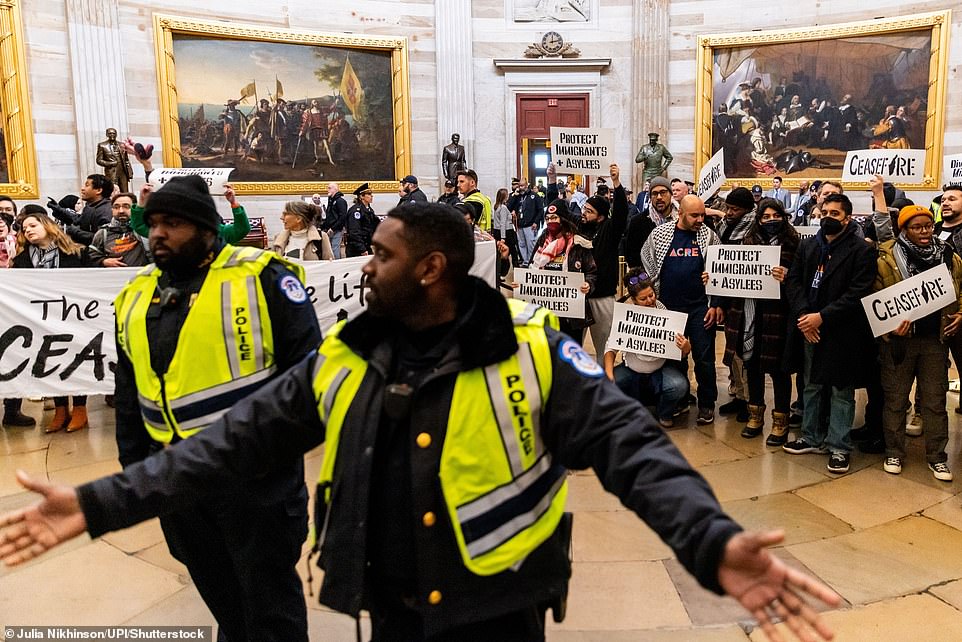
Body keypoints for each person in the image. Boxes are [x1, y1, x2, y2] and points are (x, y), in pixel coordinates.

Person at [0, 203, 840, 642]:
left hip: (495, 613)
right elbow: (227, 444)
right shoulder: (345, 357)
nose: (367, 266)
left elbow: (636, 451)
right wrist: (102, 501)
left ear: (432, 268)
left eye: (382, 255)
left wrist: (707, 538)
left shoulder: (534, 347)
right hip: (389, 607)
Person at [117, 174, 321, 641]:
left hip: (256, 483)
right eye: (153, 223)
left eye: (173, 223)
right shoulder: (134, 295)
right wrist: (137, 474)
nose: (158, 234)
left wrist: (274, 466)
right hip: (180, 484)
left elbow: (309, 381)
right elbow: (129, 397)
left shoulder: (263, 277)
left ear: (208, 228)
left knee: (270, 609)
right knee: (224, 603)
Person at [783, 193, 878, 474]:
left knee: (840, 390)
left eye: (835, 213)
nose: (827, 217)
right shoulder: (809, 245)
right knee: (810, 384)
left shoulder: (861, 250)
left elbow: (858, 292)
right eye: (824, 212)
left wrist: (821, 318)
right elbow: (794, 280)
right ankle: (811, 436)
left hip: (841, 330)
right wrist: (804, 315)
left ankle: (839, 446)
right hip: (808, 326)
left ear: (847, 218)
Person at [874, 205, 962, 481]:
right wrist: (890, 327)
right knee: (896, 399)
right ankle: (894, 452)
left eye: (927, 226)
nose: (924, 231)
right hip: (899, 342)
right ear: (904, 229)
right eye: (917, 227)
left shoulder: (950, 257)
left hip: (935, 339)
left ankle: (937, 457)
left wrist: (961, 313)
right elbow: (876, 297)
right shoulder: (886, 259)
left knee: (935, 401)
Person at [722, 198, 799, 445]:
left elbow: (802, 279)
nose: (770, 221)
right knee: (752, 365)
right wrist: (715, 278)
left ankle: (781, 420)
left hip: (778, 316)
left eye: (775, 215)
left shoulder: (794, 245)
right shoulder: (748, 242)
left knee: (779, 370)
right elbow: (733, 275)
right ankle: (755, 415)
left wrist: (787, 276)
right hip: (750, 314)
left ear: (783, 217)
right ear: (758, 220)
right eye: (765, 217)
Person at [641, 195, 724, 424]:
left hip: (699, 308)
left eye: (702, 215)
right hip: (669, 308)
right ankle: (681, 398)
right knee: (675, 358)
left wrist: (715, 304)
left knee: (704, 358)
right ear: (680, 214)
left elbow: (718, 275)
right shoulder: (660, 235)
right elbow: (647, 264)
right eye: (694, 215)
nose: (699, 220)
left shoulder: (709, 237)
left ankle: (707, 404)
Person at [12, 212, 90, 433]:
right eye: (24, 228)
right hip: (40, 320)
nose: (27, 230)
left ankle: (80, 409)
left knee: (76, 359)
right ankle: (60, 410)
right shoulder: (21, 260)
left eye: (32, 225)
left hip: (74, 316)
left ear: (47, 225)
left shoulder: (76, 253)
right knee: (49, 362)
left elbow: (91, 282)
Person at [603, 268, 691, 428]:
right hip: (630, 370)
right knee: (607, 385)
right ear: (634, 300)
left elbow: (683, 353)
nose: (650, 300)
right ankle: (626, 413)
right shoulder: (625, 315)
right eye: (643, 299)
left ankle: (664, 413)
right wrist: (609, 375)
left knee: (679, 386)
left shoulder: (665, 313)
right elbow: (610, 348)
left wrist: (685, 346)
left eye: (651, 295)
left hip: (660, 370)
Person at [527, 198, 596, 337]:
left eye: (554, 217)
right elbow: (530, 269)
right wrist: (522, 284)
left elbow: (592, 272)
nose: (550, 221)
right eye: (547, 218)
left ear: (563, 219)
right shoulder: (542, 241)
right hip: (545, 311)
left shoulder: (578, 243)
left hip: (571, 315)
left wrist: (588, 284)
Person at [87, 192, 149, 268]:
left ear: (134, 208)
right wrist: (103, 261)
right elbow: (92, 255)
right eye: (116, 207)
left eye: (126, 206)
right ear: (112, 209)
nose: (121, 211)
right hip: (114, 278)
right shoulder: (103, 233)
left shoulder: (142, 230)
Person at [508, 177, 544, 265]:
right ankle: (525, 261)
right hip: (519, 225)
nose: (521, 188)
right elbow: (509, 208)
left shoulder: (534, 196)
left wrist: (536, 222)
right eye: (520, 186)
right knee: (522, 244)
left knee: (531, 244)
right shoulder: (516, 196)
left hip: (530, 225)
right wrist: (514, 196)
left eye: (523, 186)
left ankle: (532, 261)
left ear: (527, 185)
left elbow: (540, 210)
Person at [95, 127, 133, 192]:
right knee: (113, 192)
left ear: (116, 134)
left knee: (125, 191)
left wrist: (130, 172)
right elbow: (99, 160)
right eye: (110, 133)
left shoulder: (122, 145)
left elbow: (126, 160)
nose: (112, 135)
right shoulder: (102, 145)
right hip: (111, 172)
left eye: (114, 133)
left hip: (123, 172)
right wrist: (111, 164)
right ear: (107, 134)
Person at [346, 182, 377, 257]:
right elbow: (354, 231)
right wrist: (362, 249)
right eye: (369, 194)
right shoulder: (356, 211)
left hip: (367, 245)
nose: (371, 196)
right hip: (357, 248)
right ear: (362, 196)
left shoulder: (369, 210)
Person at [323, 182, 349, 259]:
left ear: (335, 189)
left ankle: (336, 266)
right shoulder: (331, 201)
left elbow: (342, 217)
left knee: (335, 249)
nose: (327, 190)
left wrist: (333, 228)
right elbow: (329, 217)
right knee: (330, 249)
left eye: (329, 188)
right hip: (330, 229)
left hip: (336, 229)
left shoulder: (340, 201)